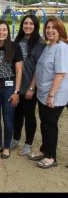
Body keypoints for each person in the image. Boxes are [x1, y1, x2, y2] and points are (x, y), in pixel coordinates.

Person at [27, 18, 68, 169]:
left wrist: (52, 95)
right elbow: (39, 70)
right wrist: (32, 88)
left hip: (54, 95)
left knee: (50, 125)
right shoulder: (48, 46)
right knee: (45, 124)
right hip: (43, 94)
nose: (50, 30)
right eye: (48, 27)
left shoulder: (62, 47)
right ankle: (44, 150)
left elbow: (60, 74)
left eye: (54, 28)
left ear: (60, 30)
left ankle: (51, 157)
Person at [0, 20, 23, 159]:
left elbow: (19, 71)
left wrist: (16, 92)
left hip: (10, 86)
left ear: (8, 32)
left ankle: (6, 146)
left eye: (4, 30)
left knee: (8, 118)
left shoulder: (14, 47)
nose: (1, 33)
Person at [10, 15, 45, 156]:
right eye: (26, 23)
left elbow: (39, 68)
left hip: (30, 86)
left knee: (29, 115)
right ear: (22, 25)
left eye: (31, 23)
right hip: (17, 86)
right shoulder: (17, 41)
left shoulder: (40, 43)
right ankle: (16, 138)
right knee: (17, 115)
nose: (28, 26)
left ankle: (28, 143)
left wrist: (32, 87)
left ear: (35, 26)